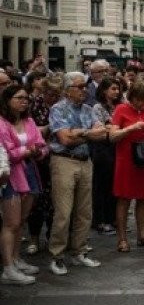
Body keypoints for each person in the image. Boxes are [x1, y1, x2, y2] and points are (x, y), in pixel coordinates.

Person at [48, 71, 108, 275]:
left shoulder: (89, 109)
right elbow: (64, 140)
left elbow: (102, 134)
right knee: (64, 212)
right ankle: (57, 255)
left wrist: (79, 133)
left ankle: (79, 251)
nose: (84, 90)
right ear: (67, 90)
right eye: (79, 87)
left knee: (84, 211)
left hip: (85, 161)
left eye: (84, 86)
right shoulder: (58, 109)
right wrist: (88, 133)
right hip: (64, 161)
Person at [0, 84, 48, 284]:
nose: (23, 101)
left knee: (21, 219)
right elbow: (7, 152)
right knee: (11, 222)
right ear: (7, 100)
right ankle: (8, 267)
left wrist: (37, 151)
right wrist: (28, 151)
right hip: (10, 175)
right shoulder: (2, 123)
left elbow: (41, 144)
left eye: (25, 98)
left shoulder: (28, 121)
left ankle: (16, 258)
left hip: (30, 172)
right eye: (19, 97)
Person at [109, 81, 144, 252]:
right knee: (124, 198)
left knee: (143, 197)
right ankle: (122, 238)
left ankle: (142, 234)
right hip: (126, 160)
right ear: (130, 97)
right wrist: (131, 128)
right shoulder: (121, 109)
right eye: (137, 100)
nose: (140, 103)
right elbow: (113, 136)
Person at [25, 74, 59, 256]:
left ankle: (53, 237)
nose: (53, 97)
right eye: (50, 93)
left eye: (56, 94)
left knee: (55, 201)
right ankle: (34, 239)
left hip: (56, 157)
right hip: (38, 158)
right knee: (36, 200)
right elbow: (31, 131)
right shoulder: (34, 105)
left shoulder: (61, 106)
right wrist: (48, 128)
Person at [90, 77, 122, 236]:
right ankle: (100, 220)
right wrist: (114, 128)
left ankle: (112, 218)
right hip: (103, 150)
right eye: (113, 89)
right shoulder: (98, 107)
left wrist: (113, 127)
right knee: (101, 186)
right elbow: (100, 128)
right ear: (104, 91)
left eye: (117, 89)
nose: (116, 92)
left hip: (117, 148)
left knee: (114, 186)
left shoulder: (120, 106)